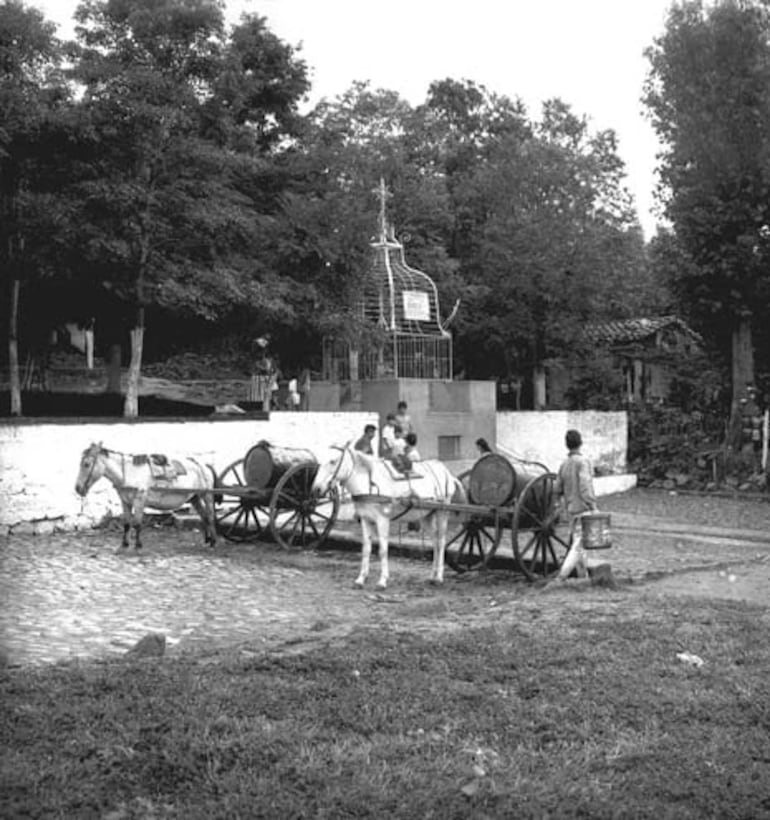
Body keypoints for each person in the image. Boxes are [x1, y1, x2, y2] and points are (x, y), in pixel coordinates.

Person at [550, 429, 598, 583]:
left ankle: (584, 578)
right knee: (579, 546)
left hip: (571, 510)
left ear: (566, 445)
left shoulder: (564, 464)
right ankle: (561, 577)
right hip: (583, 509)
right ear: (581, 443)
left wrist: (560, 505)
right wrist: (592, 506)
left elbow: (557, 489)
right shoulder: (582, 462)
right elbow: (585, 486)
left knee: (580, 544)